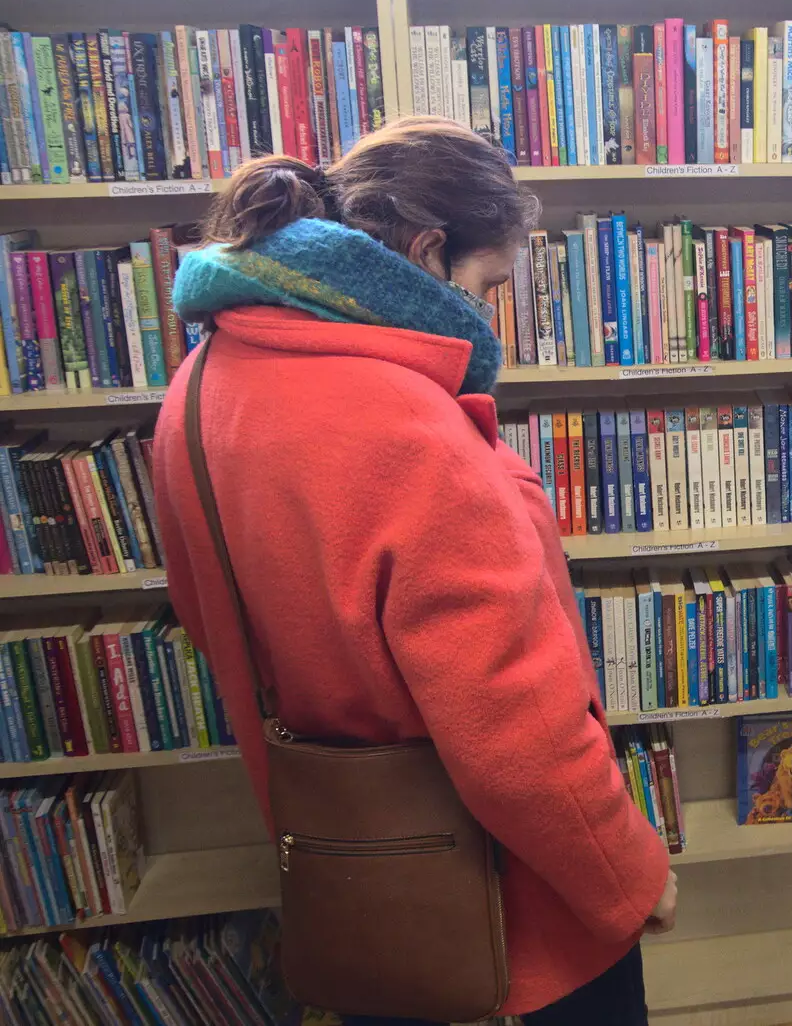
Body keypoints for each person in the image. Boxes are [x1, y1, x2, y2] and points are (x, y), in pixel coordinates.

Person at [150, 116, 675, 1026]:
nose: (487, 310)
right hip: (512, 903)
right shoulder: (405, 429)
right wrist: (630, 875)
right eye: (488, 281)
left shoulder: (200, 387)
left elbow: (210, 617)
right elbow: (515, 726)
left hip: (360, 874)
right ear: (430, 250)